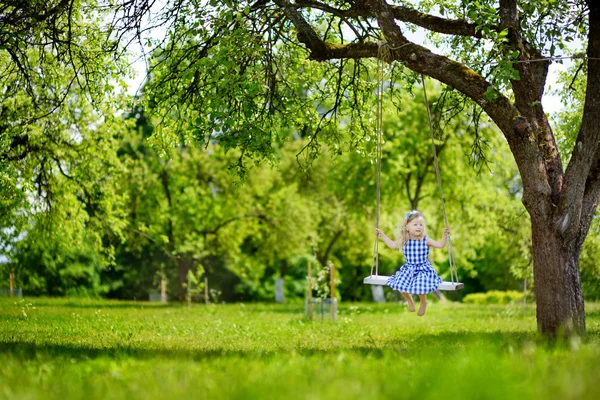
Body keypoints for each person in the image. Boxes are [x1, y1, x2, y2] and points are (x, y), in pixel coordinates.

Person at [375, 210, 450, 316]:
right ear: (407, 227)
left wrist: (445, 235)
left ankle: (423, 302)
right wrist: (382, 235)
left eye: (421, 225)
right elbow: (392, 245)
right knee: (399, 284)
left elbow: (441, 245)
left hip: (423, 269)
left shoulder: (425, 240)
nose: (418, 227)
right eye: (415, 224)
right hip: (409, 269)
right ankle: (409, 300)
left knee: (420, 283)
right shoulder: (404, 240)